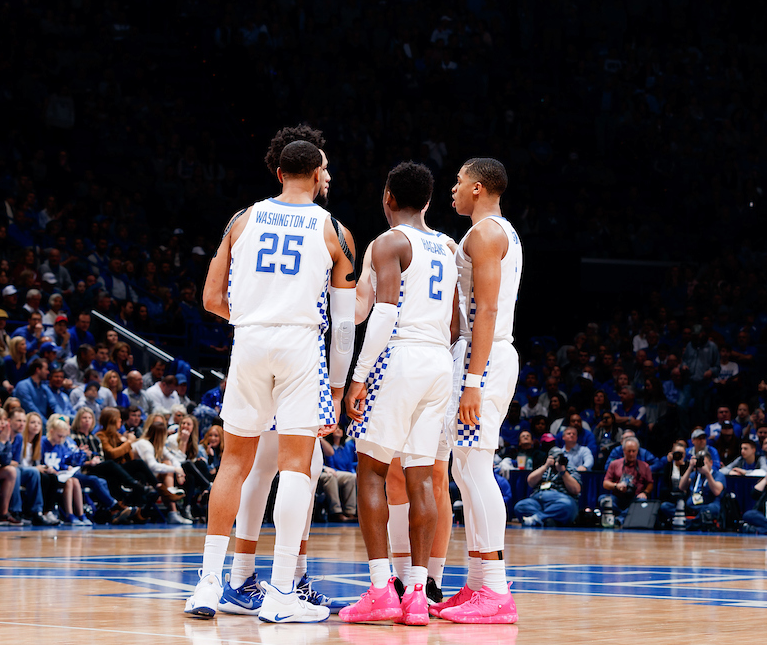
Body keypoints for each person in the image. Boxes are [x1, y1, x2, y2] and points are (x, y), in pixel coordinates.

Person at [184, 138, 356, 624]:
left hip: (250, 341)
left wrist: (256, 314)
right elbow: (343, 327)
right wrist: (339, 389)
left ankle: (208, 584)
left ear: (279, 173)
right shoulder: (334, 230)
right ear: (317, 172)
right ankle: (282, 590)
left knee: (233, 464)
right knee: (297, 466)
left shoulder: (242, 219)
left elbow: (211, 296)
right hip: (300, 346)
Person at [339, 162, 457, 625]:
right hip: (438, 363)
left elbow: (383, 313)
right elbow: (452, 322)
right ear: (427, 201)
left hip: (401, 356)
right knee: (421, 476)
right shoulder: (448, 247)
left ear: (388, 196)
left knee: (370, 470)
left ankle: (379, 589)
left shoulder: (389, 242)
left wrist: (359, 375)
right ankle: (416, 595)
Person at [430, 158, 523, 625]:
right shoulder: (491, 232)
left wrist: (471, 380)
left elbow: (484, 311)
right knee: (465, 472)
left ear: (478, 187)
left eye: (459, 181)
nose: (453, 189)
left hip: (482, 358)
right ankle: (476, 582)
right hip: (481, 355)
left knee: (473, 467)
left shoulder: (486, 234)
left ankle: (498, 591)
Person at [513, 436, 582, 528]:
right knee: (520, 506)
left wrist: (562, 472)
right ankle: (548, 519)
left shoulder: (569, 469)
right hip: (538, 499)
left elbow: (576, 490)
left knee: (568, 506)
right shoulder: (544, 468)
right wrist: (545, 466)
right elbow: (530, 481)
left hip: (560, 499)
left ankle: (537, 518)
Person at [601, 437, 655, 524]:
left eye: (634, 451)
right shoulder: (614, 464)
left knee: (641, 503)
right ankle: (626, 516)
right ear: (623, 450)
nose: (631, 454)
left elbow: (650, 483)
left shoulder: (644, 466)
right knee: (604, 499)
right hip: (618, 497)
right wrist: (616, 485)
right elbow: (605, 483)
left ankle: (619, 519)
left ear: (637, 451)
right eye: (629, 451)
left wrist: (645, 493)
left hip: (635, 498)